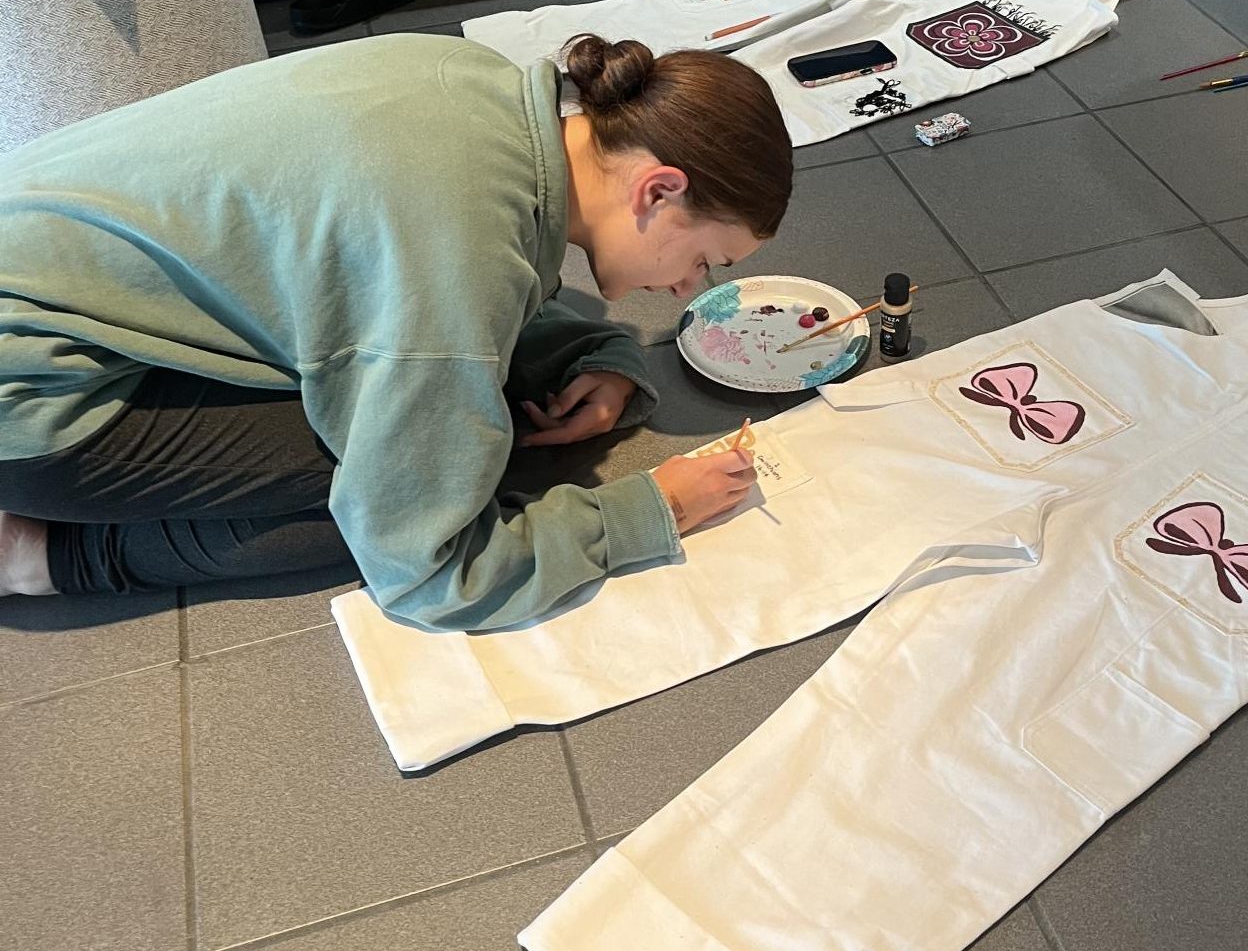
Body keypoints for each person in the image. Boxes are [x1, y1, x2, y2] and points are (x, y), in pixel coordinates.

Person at [0, 32, 793, 627]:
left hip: (53, 277)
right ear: (658, 191)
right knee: (396, 482)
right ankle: (42, 557)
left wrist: (596, 354)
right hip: (30, 401)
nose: (688, 288)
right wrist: (652, 511)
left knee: (444, 421)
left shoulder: (489, 89)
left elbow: (429, 279)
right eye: (708, 261)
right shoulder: (460, 238)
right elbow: (429, 571)